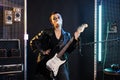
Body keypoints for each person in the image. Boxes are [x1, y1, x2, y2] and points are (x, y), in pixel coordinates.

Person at [30, 11, 87, 80]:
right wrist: (43, 51)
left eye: (58, 17)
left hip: (60, 63)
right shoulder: (46, 32)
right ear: (52, 22)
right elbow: (33, 42)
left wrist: (75, 39)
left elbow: (69, 50)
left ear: (62, 20)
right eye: (54, 18)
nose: (57, 19)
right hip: (46, 63)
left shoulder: (67, 35)